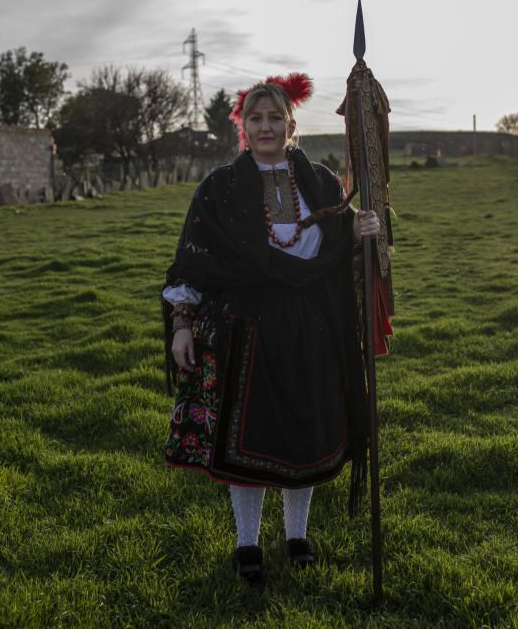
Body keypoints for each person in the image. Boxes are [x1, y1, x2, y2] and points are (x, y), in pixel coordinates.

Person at [161, 73, 380, 587]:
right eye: (255, 118)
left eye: (275, 117)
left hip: (313, 328)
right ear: (242, 126)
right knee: (249, 439)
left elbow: (337, 256)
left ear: (291, 123)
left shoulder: (323, 183)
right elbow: (193, 264)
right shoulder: (219, 187)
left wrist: (363, 232)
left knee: (304, 434)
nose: (266, 126)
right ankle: (247, 543)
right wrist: (182, 326)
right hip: (245, 331)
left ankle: (297, 536)